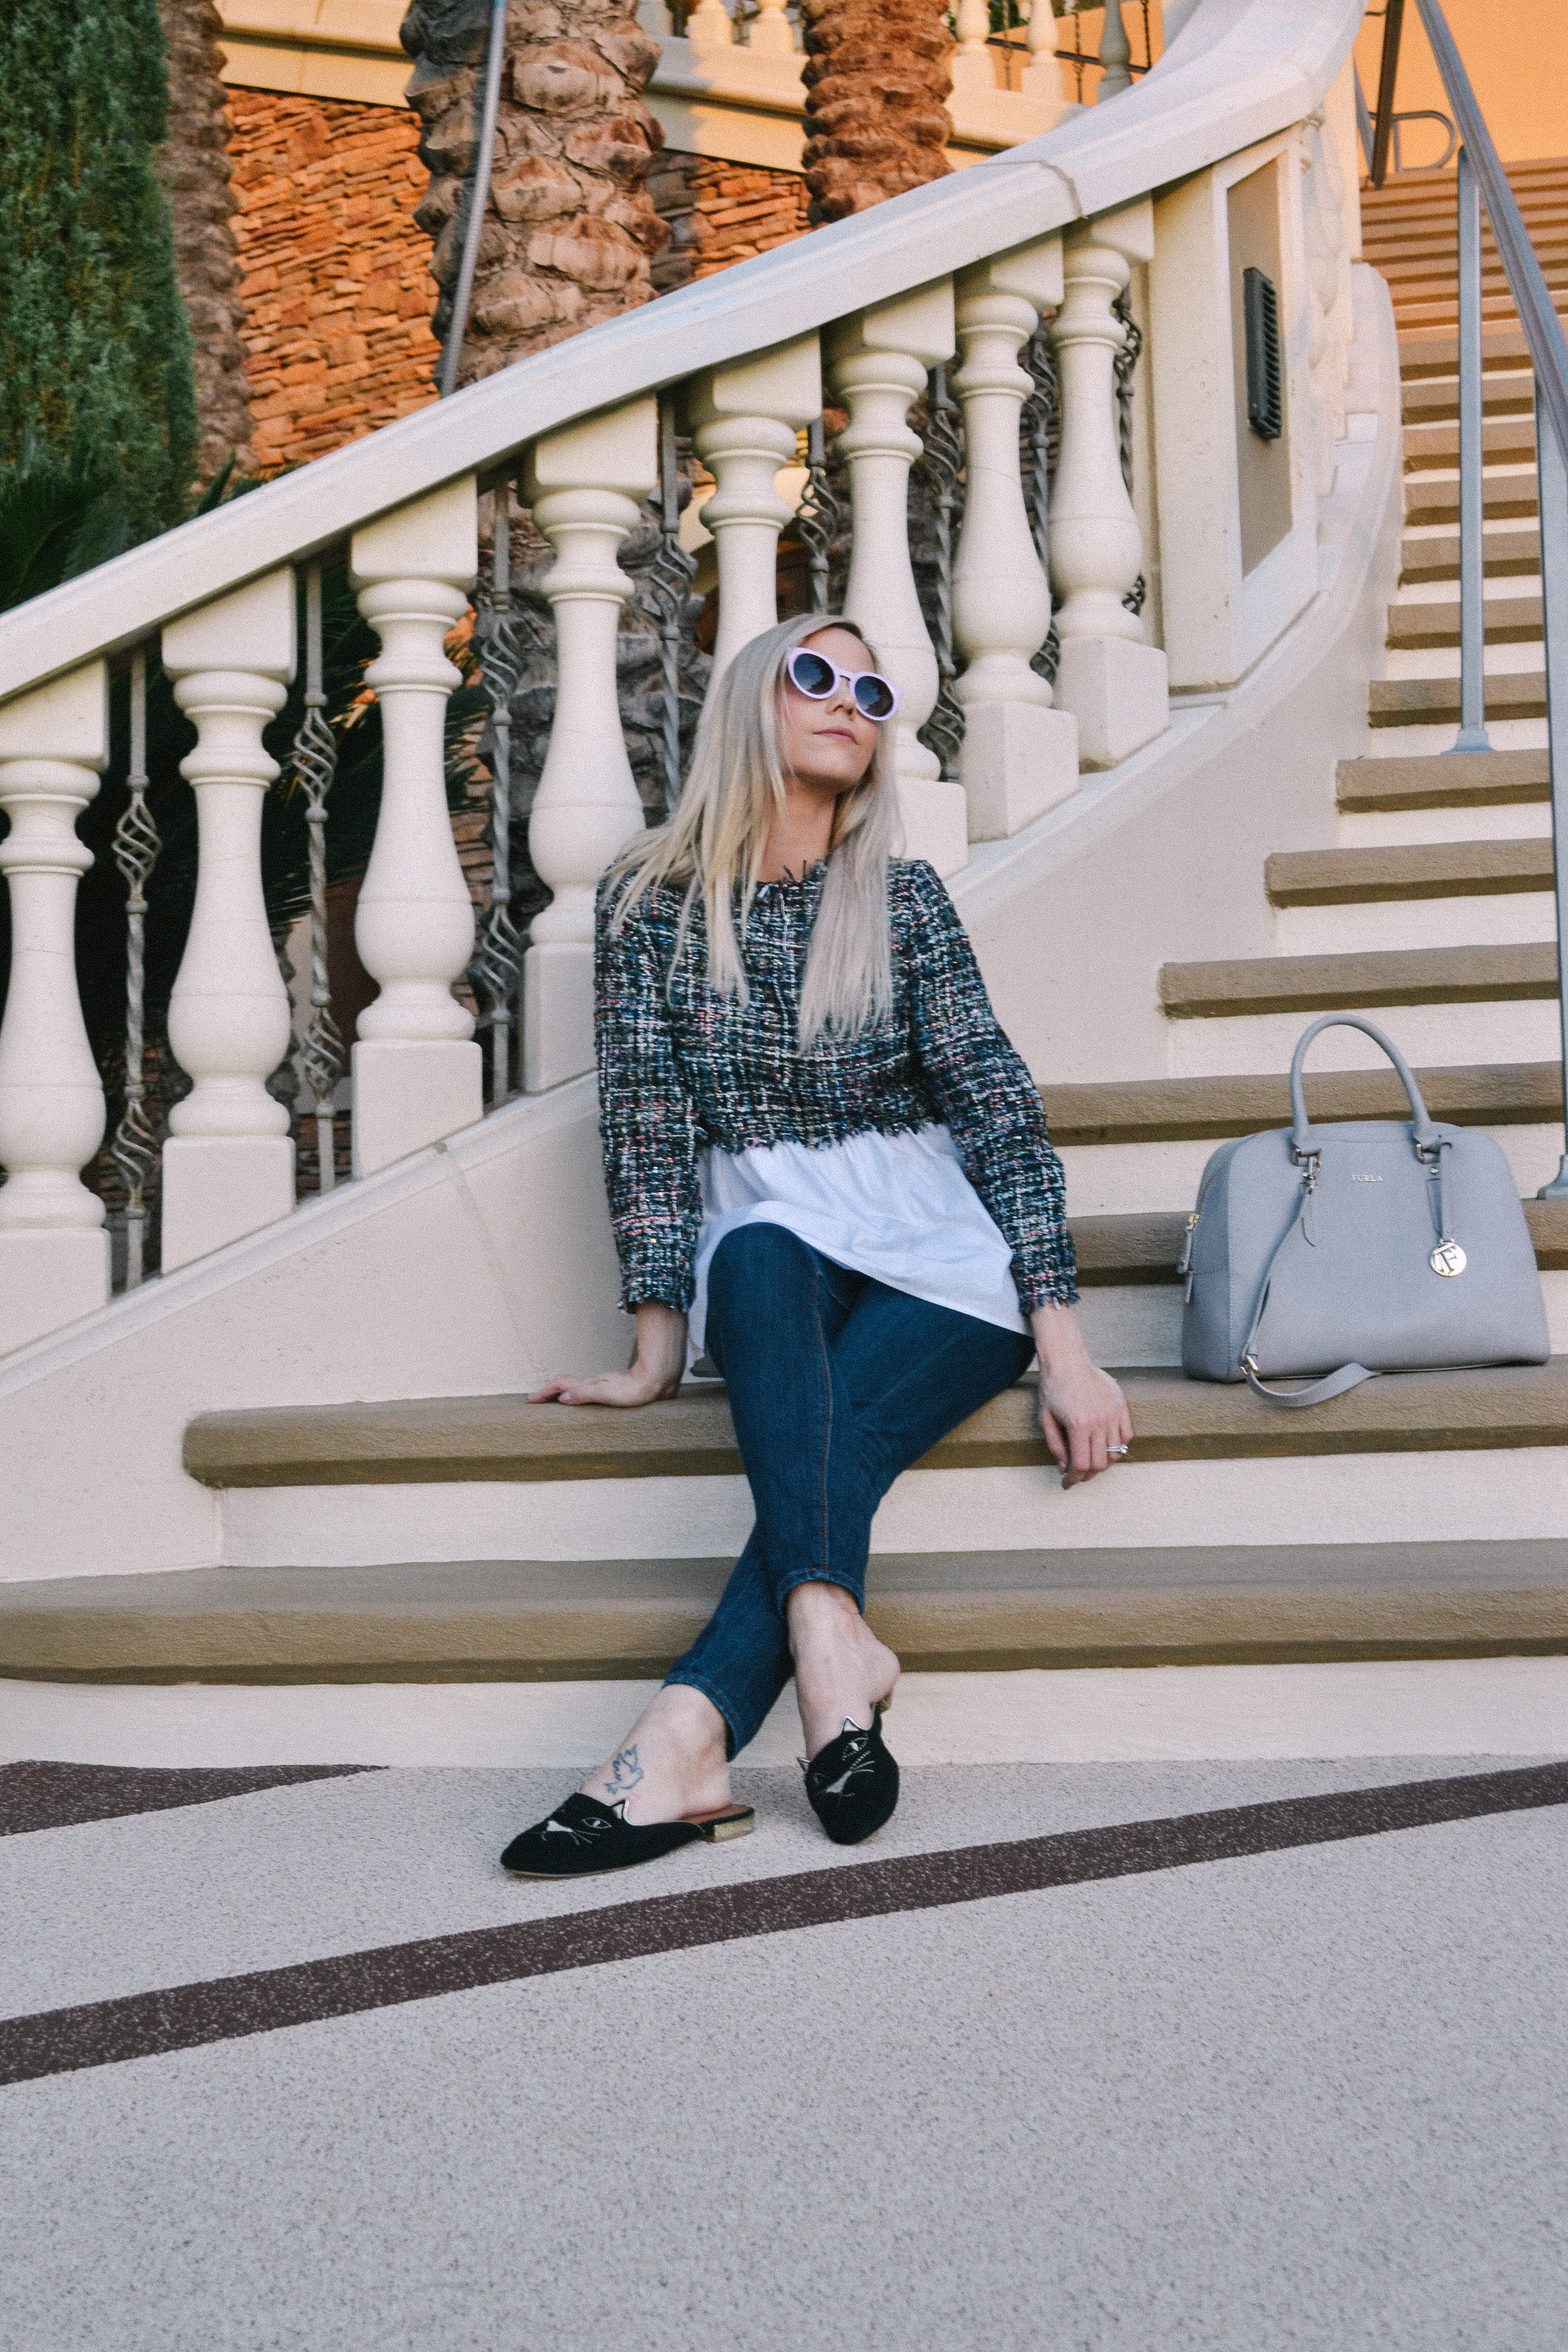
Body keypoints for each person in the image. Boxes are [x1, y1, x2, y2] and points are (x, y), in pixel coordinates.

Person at [500, 614, 1132, 1880]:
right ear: (754, 702)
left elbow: (996, 1105)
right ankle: (833, 1656)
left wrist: (1065, 1345)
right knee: (760, 1252)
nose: (850, 701)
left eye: (872, 689)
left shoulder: (901, 896)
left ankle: (696, 1727)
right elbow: (646, 1127)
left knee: (825, 1429)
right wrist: (652, 1350)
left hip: (940, 1251)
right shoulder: (650, 900)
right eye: (815, 675)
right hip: (773, 1237)